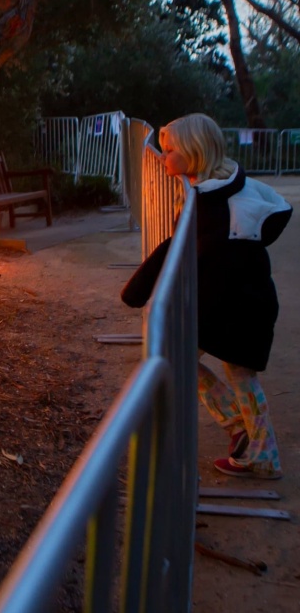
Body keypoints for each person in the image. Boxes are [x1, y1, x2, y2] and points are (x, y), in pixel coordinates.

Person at [121, 113, 292, 479]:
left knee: (208, 364)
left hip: (241, 307)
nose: (162, 158)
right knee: (216, 367)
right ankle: (249, 439)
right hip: (229, 304)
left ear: (194, 153)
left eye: (169, 152)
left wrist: (188, 316)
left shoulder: (218, 205)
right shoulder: (209, 193)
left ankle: (257, 449)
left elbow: (217, 265)